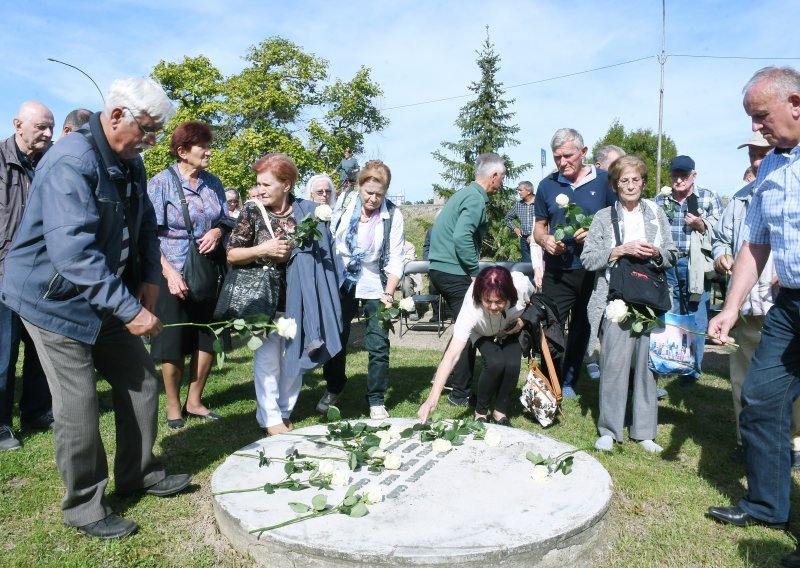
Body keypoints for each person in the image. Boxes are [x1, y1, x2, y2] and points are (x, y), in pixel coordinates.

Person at [0, 78, 191, 539]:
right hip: (51, 299)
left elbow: (144, 224)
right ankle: (85, 506)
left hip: (105, 294)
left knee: (141, 380)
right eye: (147, 129)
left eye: (157, 133)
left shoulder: (132, 162)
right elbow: (74, 255)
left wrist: (148, 278)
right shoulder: (71, 161)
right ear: (118, 115)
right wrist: (129, 311)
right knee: (79, 402)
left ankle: (139, 473)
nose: (151, 140)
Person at [707, 69, 800, 568]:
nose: (757, 128)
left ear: (796, 103)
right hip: (789, 305)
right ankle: (768, 504)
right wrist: (729, 307)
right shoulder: (769, 170)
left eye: (761, 117)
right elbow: (756, 244)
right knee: (762, 397)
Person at [228, 153, 342, 434]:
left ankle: (284, 410)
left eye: (267, 184)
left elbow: (321, 253)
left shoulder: (307, 211)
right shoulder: (252, 211)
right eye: (259, 184)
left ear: (287, 185)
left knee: (292, 358)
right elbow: (232, 253)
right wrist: (262, 250)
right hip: (262, 300)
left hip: (298, 301)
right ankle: (269, 418)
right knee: (266, 360)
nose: (260, 189)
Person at [711, 131, 800, 466]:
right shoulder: (738, 198)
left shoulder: (790, 186)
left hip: (782, 299)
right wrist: (721, 255)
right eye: (752, 154)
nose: (757, 160)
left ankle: (794, 441)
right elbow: (721, 238)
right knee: (744, 375)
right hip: (747, 301)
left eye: (763, 153)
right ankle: (746, 439)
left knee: (788, 376)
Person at [581, 155, 676, 453]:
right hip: (616, 300)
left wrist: (657, 254)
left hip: (650, 299)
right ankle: (609, 429)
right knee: (613, 365)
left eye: (636, 179)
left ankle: (645, 431)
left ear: (644, 183)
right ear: (614, 184)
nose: (630, 185)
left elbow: (672, 254)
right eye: (624, 180)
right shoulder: (603, 218)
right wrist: (619, 250)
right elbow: (588, 259)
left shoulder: (656, 213)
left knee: (649, 368)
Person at [147, 121, 232, 429]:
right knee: (173, 339)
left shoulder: (213, 183)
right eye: (203, 147)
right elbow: (148, 235)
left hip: (208, 271)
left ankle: (194, 400)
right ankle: (172, 405)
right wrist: (169, 273)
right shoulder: (160, 184)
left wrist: (218, 231)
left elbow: (225, 219)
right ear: (182, 152)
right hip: (173, 270)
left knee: (207, 336)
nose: (209, 151)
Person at [533, 128, 617, 398]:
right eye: (557, 157)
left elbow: (619, 222)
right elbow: (538, 228)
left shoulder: (605, 181)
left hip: (592, 271)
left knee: (582, 327)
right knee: (549, 325)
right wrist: (545, 240)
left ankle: (569, 380)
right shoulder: (546, 185)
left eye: (568, 156)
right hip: (557, 272)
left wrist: (596, 235)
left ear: (583, 152)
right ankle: (548, 379)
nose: (562, 162)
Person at [319, 160, 404, 419]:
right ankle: (334, 387)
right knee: (336, 339)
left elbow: (396, 258)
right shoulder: (344, 204)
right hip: (342, 282)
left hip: (375, 285)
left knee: (378, 343)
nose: (374, 199)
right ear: (360, 187)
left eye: (380, 194)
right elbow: (329, 240)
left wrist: (389, 293)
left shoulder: (393, 215)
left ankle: (376, 399)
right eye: (369, 192)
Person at [428, 153, 506, 407]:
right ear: (493, 176)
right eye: (502, 178)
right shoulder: (474, 200)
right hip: (454, 272)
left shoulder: (464, 194)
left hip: (442, 269)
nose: (502, 183)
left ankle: (448, 379)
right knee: (468, 329)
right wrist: (475, 271)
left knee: (462, 329)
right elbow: (462, 237)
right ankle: (459, 394)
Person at [0, 101, 55, 451]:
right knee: (3, 354)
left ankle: (36, 411)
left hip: (40, 278)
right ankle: (1, 425)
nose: (49, 134)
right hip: (3, 276)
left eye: (51, 127)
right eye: (41, 128)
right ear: (19, 124)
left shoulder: (51, 164)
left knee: (39, 350)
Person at [418, 266, 533, 425]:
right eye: (488, 301)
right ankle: (480, 413)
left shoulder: (521, 285)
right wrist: (432, 398)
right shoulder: (470, 308)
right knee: (495, 363)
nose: (493, 307)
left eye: (499, 301)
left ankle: (500, 412)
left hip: (511, 327)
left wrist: (523, 321)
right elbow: (452, 356)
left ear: (508, 294)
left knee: (513, 364)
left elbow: (536, 303)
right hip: (482, 330)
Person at [654, 155, 721, 379]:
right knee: (669, 314)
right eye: (676, 175)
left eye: (684, 175)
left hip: (696, 266)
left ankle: (692, 370)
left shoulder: (708, 198)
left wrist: (701, 225)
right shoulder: (660, 200)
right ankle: (669, 364)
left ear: (694, 176)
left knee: (696, 315)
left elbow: (721, 234)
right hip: (668, 264)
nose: (679, 180)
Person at [585, 144, 627, 380]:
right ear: (600, 166)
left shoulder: (619, 192)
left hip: (613, 268)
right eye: (615, 164)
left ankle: (621, 372)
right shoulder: (595, 187)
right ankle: (590, 358)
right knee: (591, 316)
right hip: (589, 261)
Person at [504, 181, 536, 262]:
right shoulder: (518, 205)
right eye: (518, 190)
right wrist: (514, 228)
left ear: (529, 191)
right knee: (527, 265)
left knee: (539, 263)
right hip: (524, 240)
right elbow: (507, 218)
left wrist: (534, 235)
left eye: (521, 190)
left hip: (538, 238)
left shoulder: (540, 202)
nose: (518, 192)